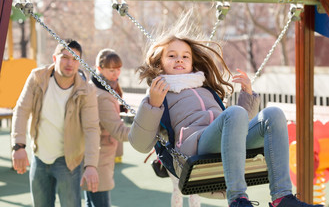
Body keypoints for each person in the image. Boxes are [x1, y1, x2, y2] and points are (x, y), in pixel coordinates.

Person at [128, 13, 324, 207]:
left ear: (192, 62)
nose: (179, 59)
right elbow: (140, 144)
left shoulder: (205, 88)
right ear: (159, 62)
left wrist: (247, 95)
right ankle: (238, 199)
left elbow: (237, 124)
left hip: (224, 140)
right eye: (172, 56)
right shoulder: (159, 93)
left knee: (273, 114)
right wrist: (153, 105)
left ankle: (283, 197)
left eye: (185, 56)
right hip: (196, 146)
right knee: (233, 113)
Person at [11, 39, 100, 207]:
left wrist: (91, 165)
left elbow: (91, 129)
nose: (70, 63)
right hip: (39, 157)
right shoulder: (37, 78)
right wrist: (18, 146)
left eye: (75, 59)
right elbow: (21, 110)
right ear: (54, 58)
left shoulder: (86, 90)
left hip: (68, 161)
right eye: (65, 57)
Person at [85, 49, 130, 207]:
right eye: (111, 70)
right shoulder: (102, 95)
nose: (116, 73)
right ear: (99, 68)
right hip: (99, 155)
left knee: (91, 199)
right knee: (100, 201)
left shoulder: (102, 88)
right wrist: (145, 132)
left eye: (118, 69)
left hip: (94, 154)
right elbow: (118, 131)